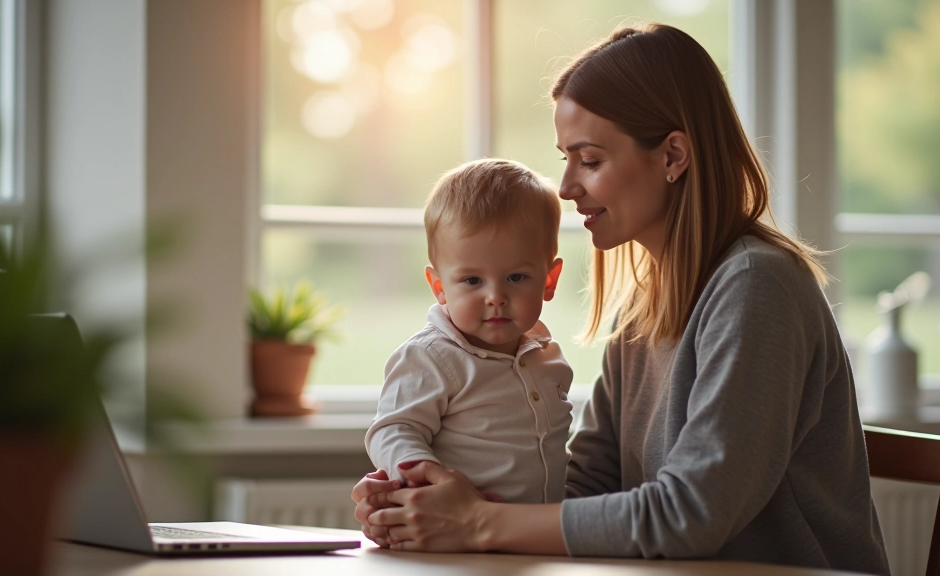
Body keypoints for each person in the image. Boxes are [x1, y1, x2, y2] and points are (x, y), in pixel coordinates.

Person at [351, 23, 890, 575]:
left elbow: (691, 514)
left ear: (672, 155)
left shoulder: (757, 286)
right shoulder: (647, 302)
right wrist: (424, 507)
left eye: (589, 159)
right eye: (565, 158)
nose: (565, 187)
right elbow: (591, 482)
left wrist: (477, 524)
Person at [365, 158, 573, 505]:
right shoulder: (432, 357)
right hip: (455, 535)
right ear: (439, 287)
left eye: (516, 278)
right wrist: (431, 481)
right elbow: (392, 430)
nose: (495, 298)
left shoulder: (547, 355)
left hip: (536, 535)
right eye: (473, 280)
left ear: (548, 281)